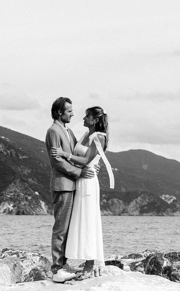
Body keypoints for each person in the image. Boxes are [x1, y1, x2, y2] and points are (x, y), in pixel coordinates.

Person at [50, 107, 114, 280]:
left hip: (88, 180)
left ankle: (89, 265)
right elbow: (82, 157)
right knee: (81, 220)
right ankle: (80, 261)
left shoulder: (99, 136)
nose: (83, 118)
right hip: (80, 180)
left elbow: (87, 160)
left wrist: (64, 154)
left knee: (89, 220)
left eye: (87, 116)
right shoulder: (86, 135)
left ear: (94, 119)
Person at [45, 97, 97, 283]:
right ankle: (57, 269)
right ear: (60, 112)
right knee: (60, 227)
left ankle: (64, 265)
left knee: (67, 228)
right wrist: (80, 172)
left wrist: (93, 163)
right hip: (62, 185)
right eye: (69, 111)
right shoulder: (53, 131)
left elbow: (76, 153)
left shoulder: (68, 131)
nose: (73, 114)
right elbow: (56, 161)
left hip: (72, 185)